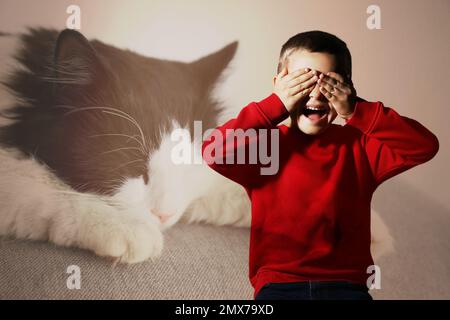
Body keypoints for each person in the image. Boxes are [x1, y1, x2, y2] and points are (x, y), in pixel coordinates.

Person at [201, 30, 439, 300]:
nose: (315, 95)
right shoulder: (264, 146)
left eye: (328, 84)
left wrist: (356, 111)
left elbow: (423, 146)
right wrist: (273, 105)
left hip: (347, 287)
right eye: (302, 82)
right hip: (279, 286)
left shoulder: (360, 147)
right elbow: (213, 152)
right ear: (279, 84)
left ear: (346, 88)